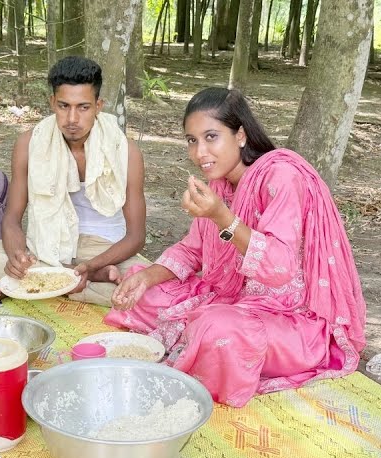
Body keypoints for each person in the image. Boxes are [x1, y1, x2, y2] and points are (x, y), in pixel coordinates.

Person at [105, 88, 366, 408]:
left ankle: (200, 339)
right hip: (229, 299)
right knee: (142, 294)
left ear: (240, 134)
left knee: (217, 331)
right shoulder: (219, 184)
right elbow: (193, 250)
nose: (200, 152)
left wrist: (223, 218)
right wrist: (146, 277)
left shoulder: (281, 176)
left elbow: (279, 267)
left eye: (211, 137)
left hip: (288, 319)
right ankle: (194, 332)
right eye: (192, 140)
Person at [0, 56, 148, 306]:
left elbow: (136, 236)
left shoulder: (126, 151)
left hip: (104, 249)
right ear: (52, 102)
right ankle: (73, 281)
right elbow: (12, 218)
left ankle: (51, 282)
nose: (72, 118)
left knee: (148, 288)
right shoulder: (29, 144)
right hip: (45, 245)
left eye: (83, 107)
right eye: (64, 106)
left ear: (99, 106)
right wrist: (17, 259)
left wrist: (91, 265)